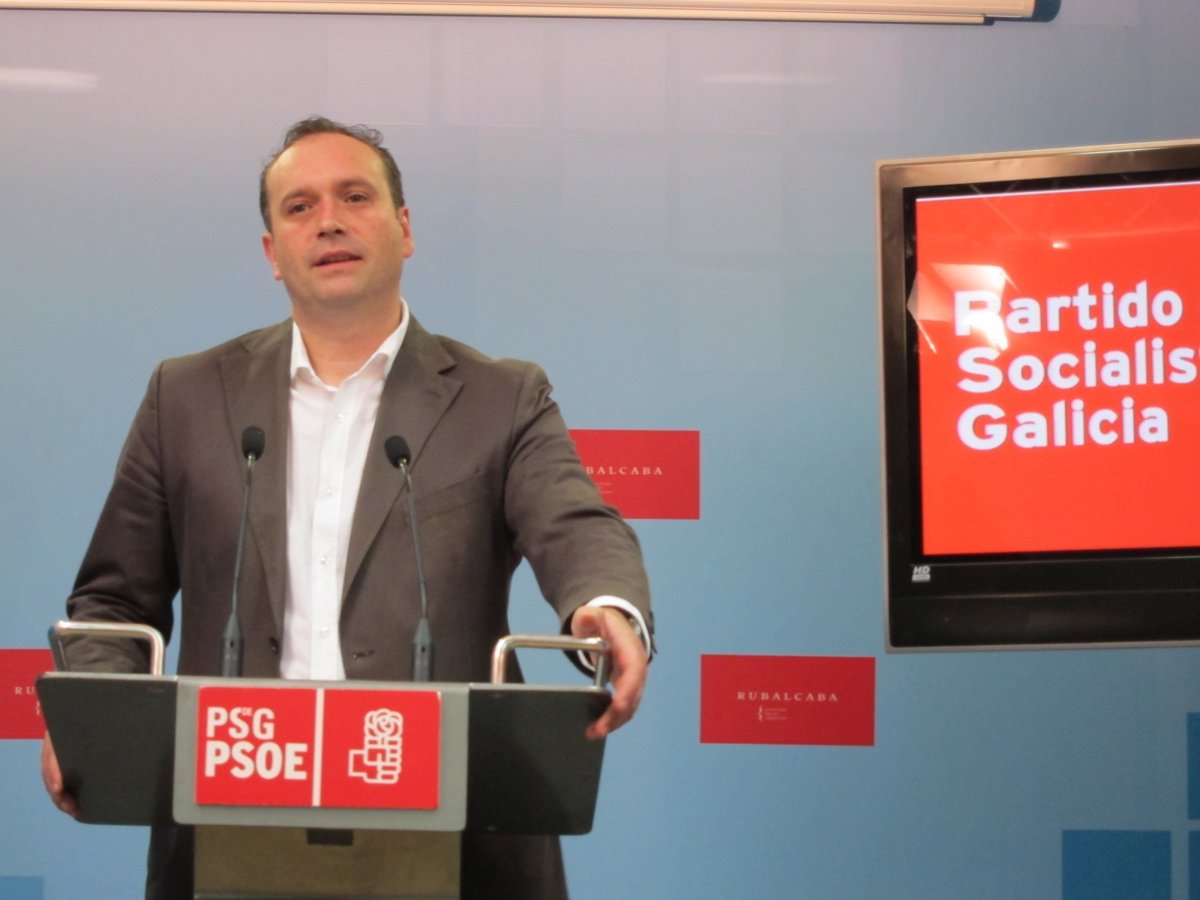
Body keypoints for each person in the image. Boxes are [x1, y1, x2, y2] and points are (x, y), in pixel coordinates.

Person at [40, 116, 654, 900]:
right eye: (299, 207)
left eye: (355, 197)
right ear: (273, 252)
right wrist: (92, 716)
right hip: (230, 823)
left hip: (452, 833)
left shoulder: (501, 397)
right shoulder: (186, 398)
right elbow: (112, 602)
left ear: (405, 229)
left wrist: (604, 605)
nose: (327, 221)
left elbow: (574, 523)